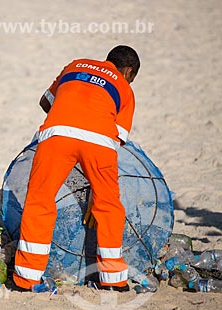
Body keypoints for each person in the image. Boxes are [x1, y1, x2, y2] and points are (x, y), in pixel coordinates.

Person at [13, 45, 140, 292]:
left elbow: (44, 102)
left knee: (39, 200)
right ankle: (114, 281)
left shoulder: (75, 65)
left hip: (57, 133)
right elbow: (118, 137)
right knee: (109, 206)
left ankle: (26, 279)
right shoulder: (124, 88)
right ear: (128, 72)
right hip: (99, 142)